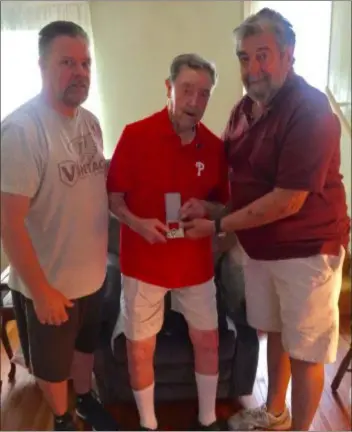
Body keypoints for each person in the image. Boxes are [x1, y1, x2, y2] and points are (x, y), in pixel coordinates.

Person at [181, 8, 350, 432]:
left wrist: (219, 227)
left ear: (288, 55)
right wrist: (209, 206)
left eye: (262, 55)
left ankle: (300, 429)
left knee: (306, 350)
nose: (252, 68)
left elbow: (287, 201)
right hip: (261, 249)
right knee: (275, 332)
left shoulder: (310, 110)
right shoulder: (243, 109)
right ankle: (275, 413)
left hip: (306, 252)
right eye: (243, 58)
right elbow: (235, 180)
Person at [1, 21, 119, 431]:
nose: (80, 71)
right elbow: (9, 222)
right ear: (42, 66)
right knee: (52, 367)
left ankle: (84, 401)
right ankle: (61, 418)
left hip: (91, 275)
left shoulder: (89, 122)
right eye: (67, 62)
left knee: (85, 348)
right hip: (50, 286)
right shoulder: (22, 131)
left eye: (85, 63)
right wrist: (41, 290)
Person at [107, 53, 229, 431]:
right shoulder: (135, 135)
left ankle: (208, 420)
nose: (195, 102)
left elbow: (223, 203)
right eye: (187, 89)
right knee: (140, 347)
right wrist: (137, 223)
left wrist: (206, 206)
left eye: (204, 94)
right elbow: (114, 199)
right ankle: (148, 423)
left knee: (207, 341)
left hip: (194, 262)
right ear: (169, 88)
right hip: (145, 260)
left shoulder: (213, 146)